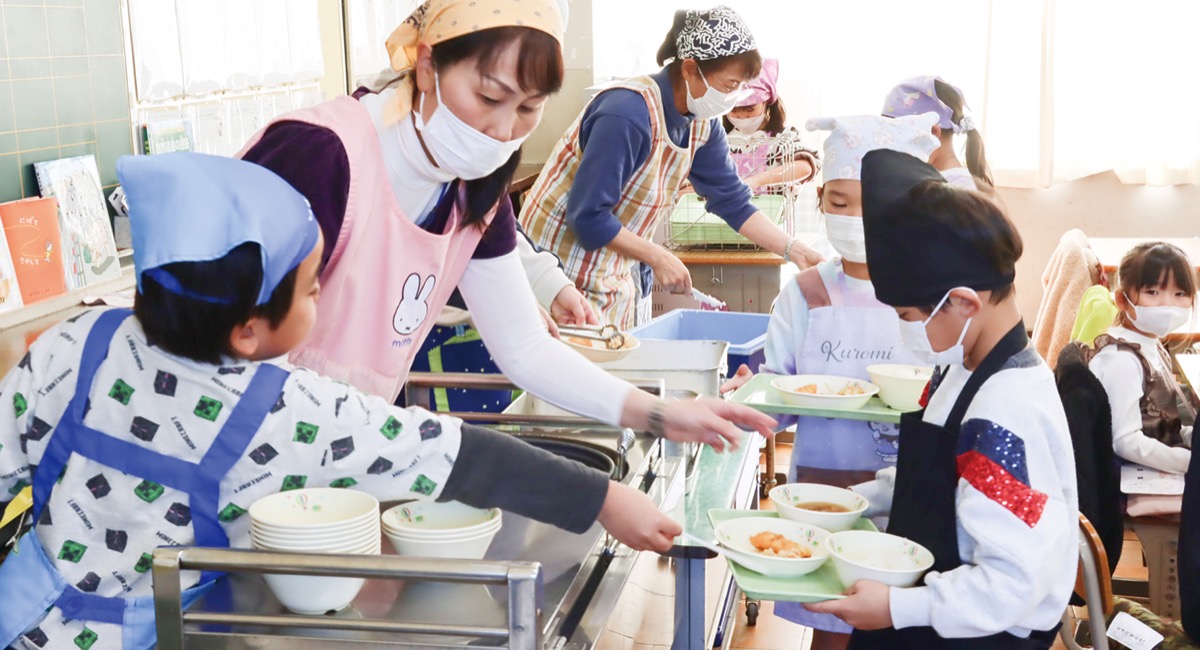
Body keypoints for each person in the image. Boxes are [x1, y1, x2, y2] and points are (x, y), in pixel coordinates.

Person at [0, 153, 687, 650]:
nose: (322, 295)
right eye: (310, 289)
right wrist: (603, 498)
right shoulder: (287, 409)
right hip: (153, 636)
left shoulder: (72, 341)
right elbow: (456, 456)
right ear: (248, 332)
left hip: (16, 613)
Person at [238, 0, 774, 447]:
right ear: (427, 65)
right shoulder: (319, 156)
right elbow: (228, 346)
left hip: (335, 445)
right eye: (490, 97)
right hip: (237, 438)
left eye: (528, 108)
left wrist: (663, 414)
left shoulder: (474, 181)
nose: (501, 131)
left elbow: (524, 347)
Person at [806, 150, 1077, 648]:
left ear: (963, 303)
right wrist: (843, 506)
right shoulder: (960, 368)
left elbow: (1012, 583)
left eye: (908, 315)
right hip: (926, 606)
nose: (904, 330)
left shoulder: (1003, 416)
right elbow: (927, 477)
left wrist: (895, 606)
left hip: (965, 632)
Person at [718, 113, 940, 650]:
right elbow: (783, 392)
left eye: (870, 205)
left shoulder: (929, 297)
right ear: (819, 201)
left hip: (909, 487)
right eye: (839, 203)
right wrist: (753, 395)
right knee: (833, 626)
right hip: (823, 489)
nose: (853, 218)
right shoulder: (806, 292)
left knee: (900, 619)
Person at [519, 6, 825, 329]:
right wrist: (657, 255)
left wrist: (794, 250)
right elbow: (587, 217)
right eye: (728, 85)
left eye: (740, 89)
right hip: (552, 266)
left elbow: (733, 201)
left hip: (609, 273)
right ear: (690, 69)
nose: (732, 100)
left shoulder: (702, 123)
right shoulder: (626, 114)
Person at [1085, 242, 1195, 474]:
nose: (1168, 304)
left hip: (1159, 455)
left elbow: (1164, 424)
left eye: (1180, 293)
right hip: (1135, 475)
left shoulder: (1150, 342)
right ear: (1123, 300)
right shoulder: (1121, 361)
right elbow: (1126, 441)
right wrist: (1189, 463)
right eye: (1152, 292)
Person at [721, 58, 819, 193]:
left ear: (767, 102)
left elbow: (805, 167)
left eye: (750, 109)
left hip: (774, 213)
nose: (742, 116)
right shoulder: (721, 140)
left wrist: (756, 181)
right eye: (734, 110)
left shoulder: (785, 137)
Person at [881, 76, 993, 192]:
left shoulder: (955, 190)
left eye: (899, 136)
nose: (892, 147)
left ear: (933, 133)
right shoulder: (938, 182)